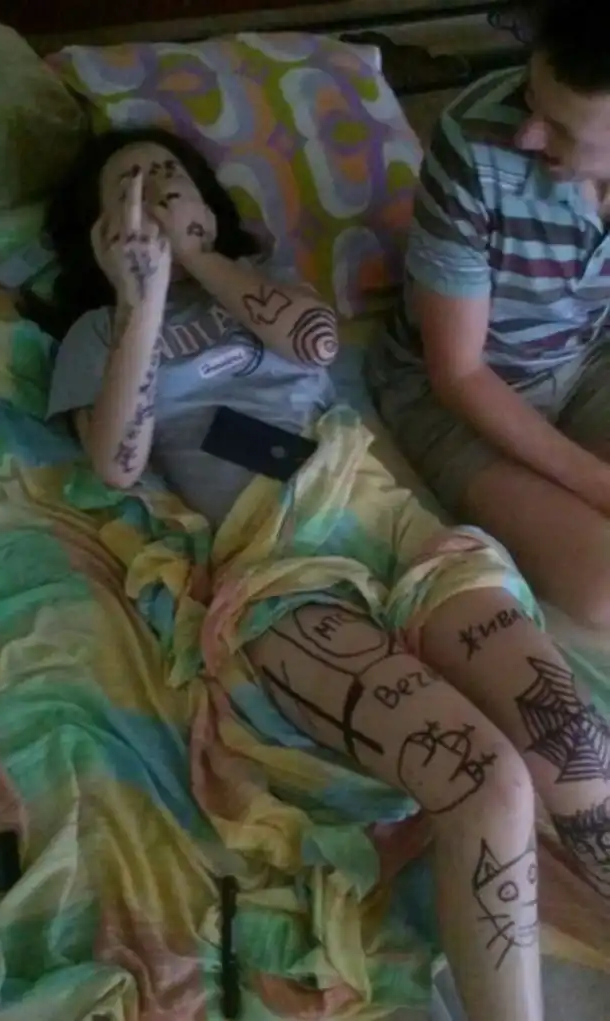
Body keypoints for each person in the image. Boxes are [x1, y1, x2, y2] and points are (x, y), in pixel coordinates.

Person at [32, 125, 609, 1021]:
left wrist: (206, 259)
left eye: (170, 172)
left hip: (379, 513)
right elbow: (116, 462)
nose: (155, 186)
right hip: (276, 562)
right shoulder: (96, 333)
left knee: (573, 746)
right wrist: (141, 296)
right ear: (101, 229)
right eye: (129, 183)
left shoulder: (260, 284)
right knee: (485, 779)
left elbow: (315, 343)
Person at [367, 1, 610, 629]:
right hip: (455, 392)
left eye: (563, 130)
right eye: (531, 95)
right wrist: (596, 483)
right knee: (604, 589)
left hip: (586, 358)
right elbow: (459, 372)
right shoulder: (474, 142)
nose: (529, 134)